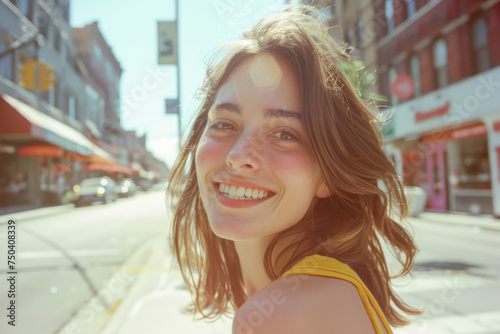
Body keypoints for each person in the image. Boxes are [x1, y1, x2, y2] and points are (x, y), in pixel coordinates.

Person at [167, 5, 420, 333]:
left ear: (327, 175)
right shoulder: (317, 295)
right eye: (225, 124)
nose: (238, 155)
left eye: (284, 133)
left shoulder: (283, 316)